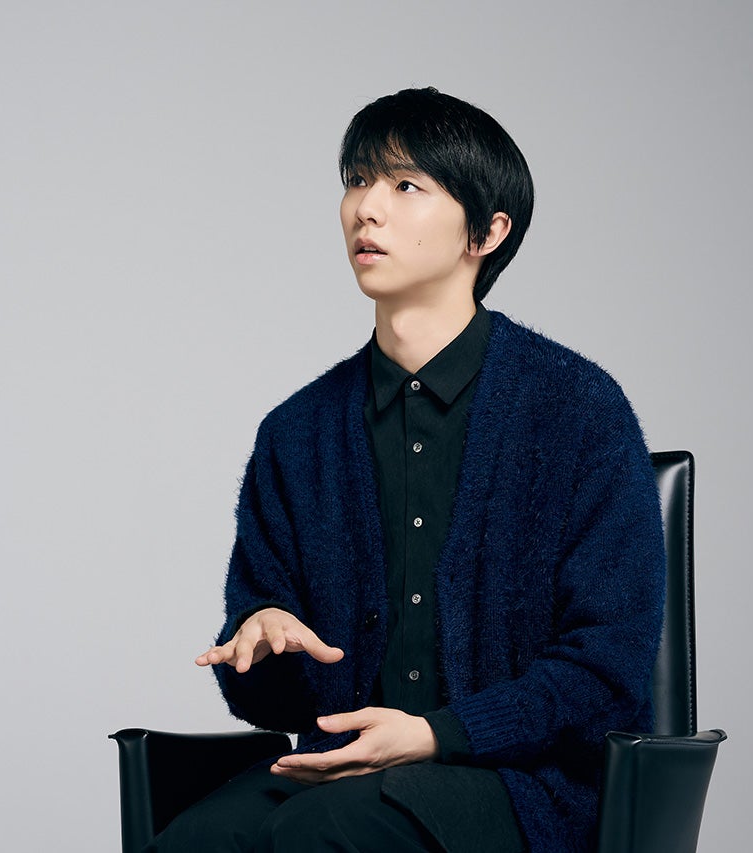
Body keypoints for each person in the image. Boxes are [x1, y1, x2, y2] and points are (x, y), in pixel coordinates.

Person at [149, 87, 666, 853]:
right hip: (341, 770)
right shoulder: (297, 433)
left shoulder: (578, 411)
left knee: (324, 836)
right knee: (196, 841)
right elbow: (269, 697)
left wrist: (434, 734)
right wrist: (263, 641)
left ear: (486, 231)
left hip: (523, 783)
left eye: (405, 185)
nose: (367, 208)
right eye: (357, 180)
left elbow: (608, 669)